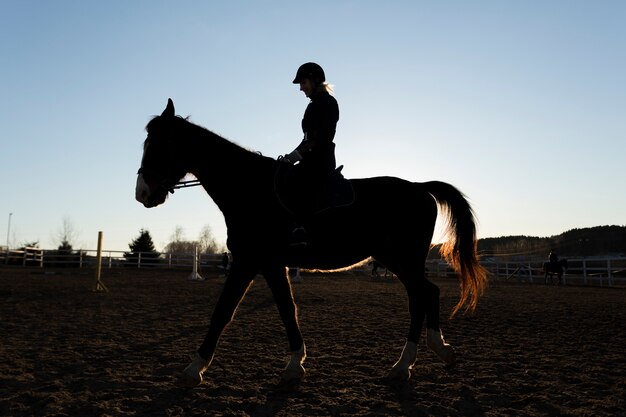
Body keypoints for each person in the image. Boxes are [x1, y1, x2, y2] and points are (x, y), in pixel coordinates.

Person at [283, 62, 340, 246]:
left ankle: (301, 229)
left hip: (320, 161)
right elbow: (307, 138)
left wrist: (296, 156)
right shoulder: (313, 105)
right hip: (309, 159)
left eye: (303, 82)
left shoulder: (328, 103)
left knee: (299, 181)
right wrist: (290, 157)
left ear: (315, 80)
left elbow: (321, 139)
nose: (301, 88)